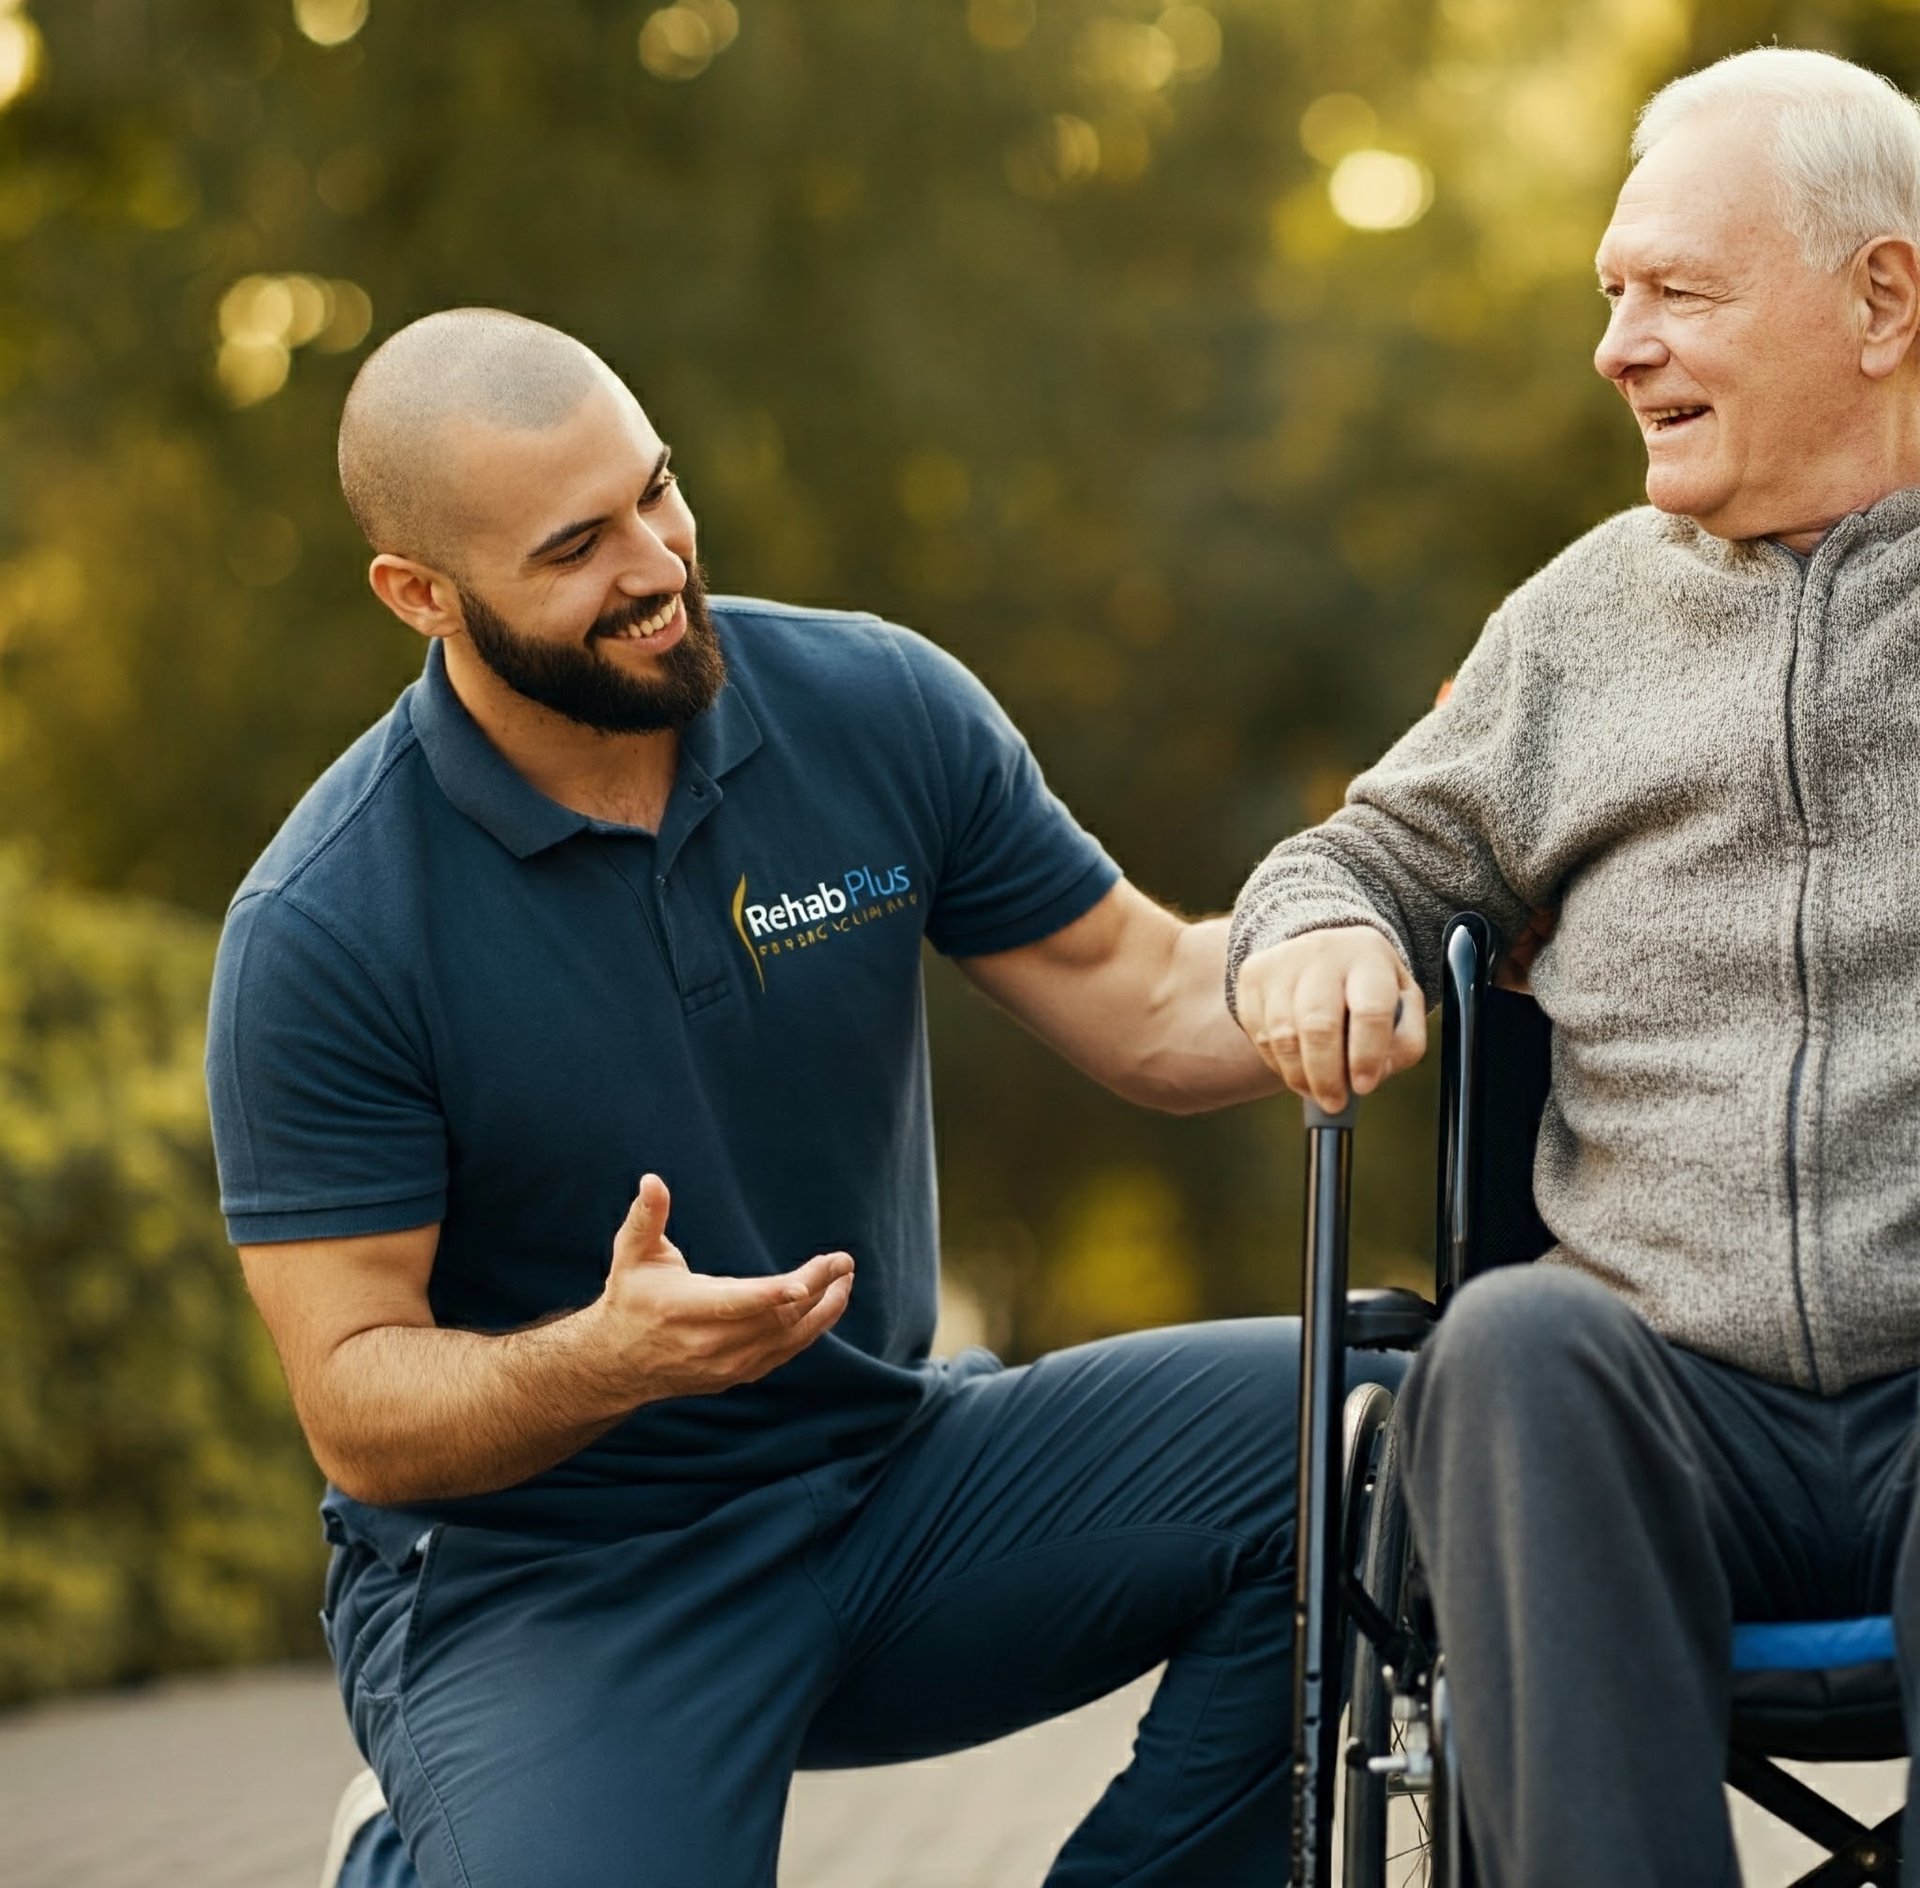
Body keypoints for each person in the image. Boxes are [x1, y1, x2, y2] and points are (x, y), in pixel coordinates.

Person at [206, 307, 1399, 1888]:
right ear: (422, 596)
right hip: (552, 1583)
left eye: (657, 490)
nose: (654, 562)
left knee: (1387, 1436)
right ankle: (418, 1848)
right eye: (576, 546)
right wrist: (601, 1362)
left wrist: (1397, 903)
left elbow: (1161, 1003)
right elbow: (358, 1409)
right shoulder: (328, 925)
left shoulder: (874, 702)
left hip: (892, 1481)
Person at [1228, 46, 1920, 1886]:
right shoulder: (1583, 621)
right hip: (1661, 1417)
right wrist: (1315, 937)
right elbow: (1353, 853)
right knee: (1508, 1346)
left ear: (1882, 298)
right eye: (1612, 293)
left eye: (1676, 291)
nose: (1617, 346)